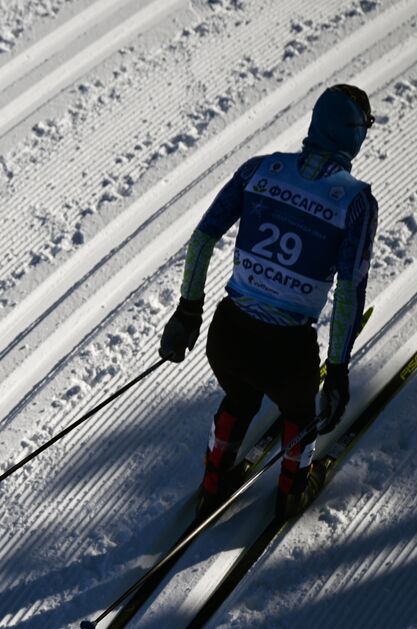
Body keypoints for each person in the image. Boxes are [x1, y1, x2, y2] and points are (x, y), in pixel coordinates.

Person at [159, 84, 379, 520]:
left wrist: (188, 311)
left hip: (227, 334)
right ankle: (293, 490)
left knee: (239, 395)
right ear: (354, 134)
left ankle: (214, 478)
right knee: (298, 411)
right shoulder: (356, 202)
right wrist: (335, 371)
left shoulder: (259, 169)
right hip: (287, 352)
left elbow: (203, 238)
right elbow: (349, 292)